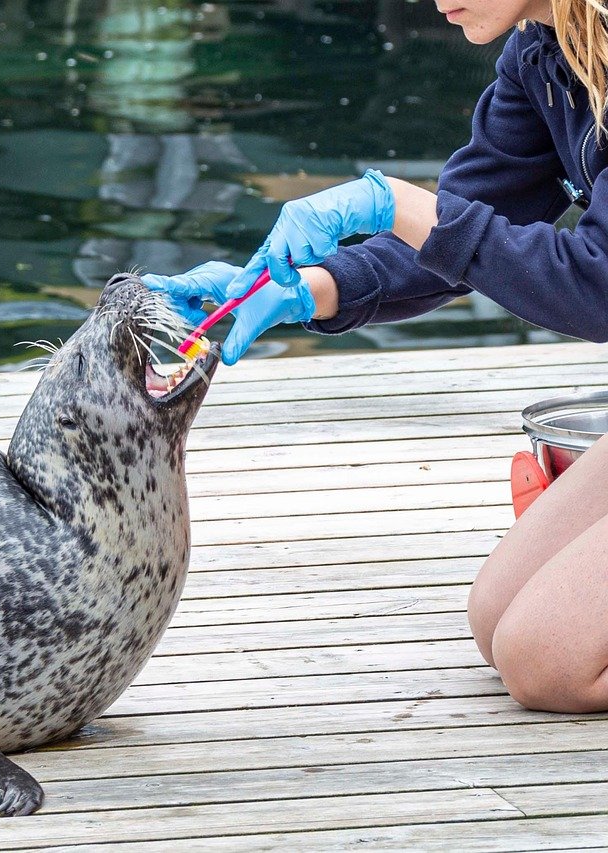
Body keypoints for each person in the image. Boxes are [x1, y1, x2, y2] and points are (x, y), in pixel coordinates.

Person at [143, 0, 608, 714]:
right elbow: (456, 237)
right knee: (496, 617)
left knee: (547, 662)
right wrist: (307, 291)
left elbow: (597, 286)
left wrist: (392, 202)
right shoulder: (542, 52)